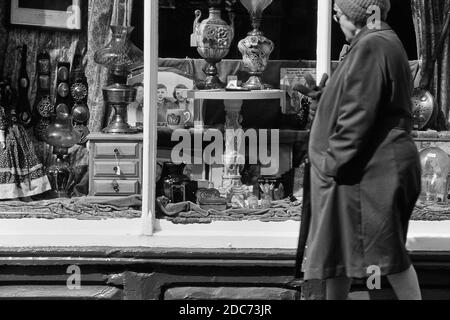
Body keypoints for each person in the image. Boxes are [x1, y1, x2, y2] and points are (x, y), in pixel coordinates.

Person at [301, 0, 422, 300]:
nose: (335, 15)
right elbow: (361, 100)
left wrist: (330, 162)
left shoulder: (373, 45)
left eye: (339, 11)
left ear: (357, 15)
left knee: (386, 257)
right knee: (339, 253)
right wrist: (325, 100)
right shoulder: (375, 41)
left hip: (370, 172)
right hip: (361, 170)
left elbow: (359, 113)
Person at [0, 80, 51, 200]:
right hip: (17, 132)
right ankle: (20, 194)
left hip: (11, 134)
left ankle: (20, 194)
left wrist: (2, 139)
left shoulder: (3, 108)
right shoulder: (8, 106)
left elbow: (1, 124)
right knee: (21, 163)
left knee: (17, 163)